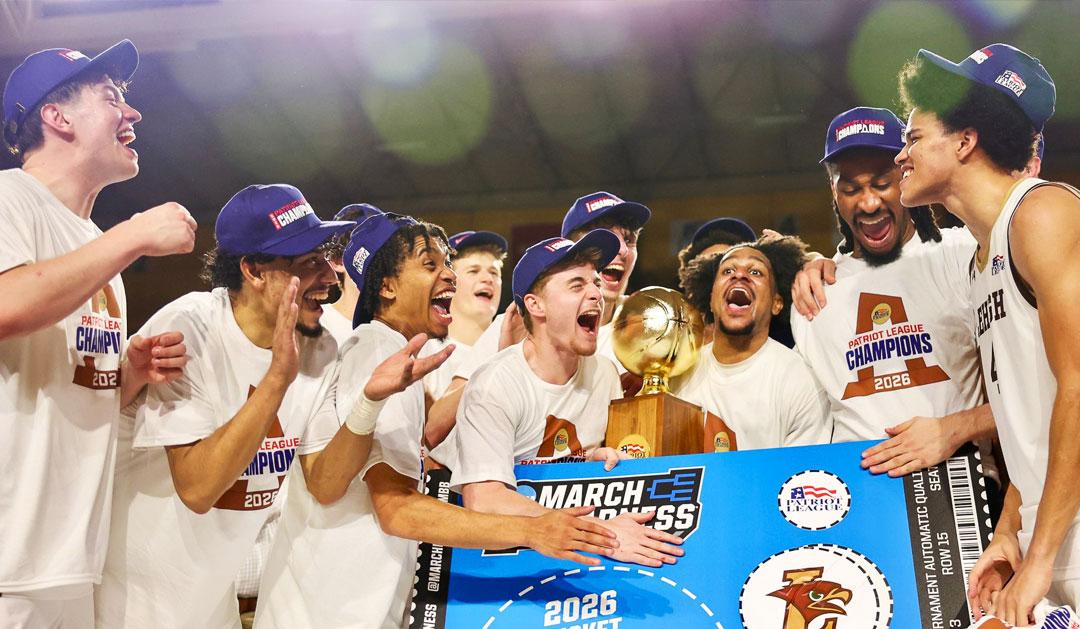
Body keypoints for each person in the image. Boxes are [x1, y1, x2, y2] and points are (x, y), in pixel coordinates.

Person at [255, 212, 620, 629]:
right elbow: (398, 510)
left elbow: (326, 482)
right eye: (431, 265)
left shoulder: (384, 353)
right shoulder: (378, 353)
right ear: (387, 286)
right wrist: (533, 530)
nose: (450, 276)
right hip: (331, 613)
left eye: (447, 263)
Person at [94, 184, 359, 628]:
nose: (329, 278)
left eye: (324, 258)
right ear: (254, 270)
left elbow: (325, 480)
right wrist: (277, 380)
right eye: (307, 262)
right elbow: (198, 489)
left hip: (213, 603)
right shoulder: (188, 330)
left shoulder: (325, 342)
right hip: (134, 602)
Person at [0, 40, 196, 627]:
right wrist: (133, 236)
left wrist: (131, 373)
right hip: (10, 557)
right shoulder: (11, 196)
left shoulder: (91, 241)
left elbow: (76, 391)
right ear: (57, 118)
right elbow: (7, 304)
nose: (132, 113)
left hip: (71, 555)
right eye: (112, 98)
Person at [895, 43, 1080, 625]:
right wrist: (1009, 533)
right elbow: (1030, 417)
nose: (900, 155)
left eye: (913, 137)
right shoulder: (982, 260)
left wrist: (1039, 556)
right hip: (1051, 533)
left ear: (965, 141)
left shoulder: (1043, 214)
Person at [449, 231, 686, 567]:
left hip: (576, 553)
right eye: (577, 285)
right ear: (536, 305)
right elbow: (484, 499)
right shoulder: (495, 384)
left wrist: (592, 458)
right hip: (502, 561)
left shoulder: (603, 373)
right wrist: (602, 534)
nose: (597, 294)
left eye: (595, 282)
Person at [788, 106, 995, 478]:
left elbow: (1033, 387)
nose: (868, 203)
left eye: (882, 183)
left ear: (906, 173)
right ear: (833, 192)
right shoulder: (814, 293)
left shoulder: (963, 254)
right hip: (857, 500)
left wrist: (955, 428)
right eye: (850, 189)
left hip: (960, 484)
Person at [674, 237, 831, 449]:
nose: (739, 275)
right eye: (728, 271)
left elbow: (800, 476)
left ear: (777, 303)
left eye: (755, 272)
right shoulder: (677, 372)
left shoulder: (802, 381)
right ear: (711, 300)